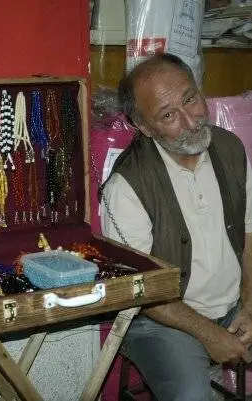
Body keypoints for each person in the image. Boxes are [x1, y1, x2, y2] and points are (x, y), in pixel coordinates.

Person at [99, 53, 252, 401]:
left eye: (190, 99)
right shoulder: (127, 187)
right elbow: (140, 290)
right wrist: (208, 333)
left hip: (233, 303)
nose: (191, 121)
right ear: (145, 127)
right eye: (168, 115)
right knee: (190, 396)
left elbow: (248, 233)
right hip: (161, 319)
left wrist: (250, 302)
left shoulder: (230, 148)